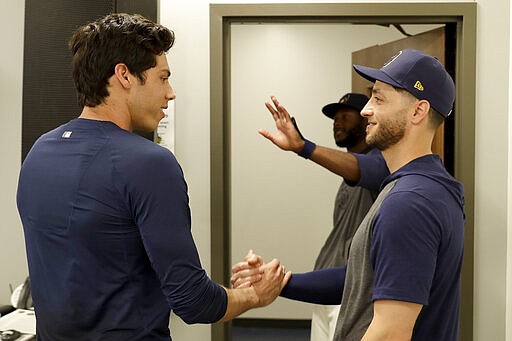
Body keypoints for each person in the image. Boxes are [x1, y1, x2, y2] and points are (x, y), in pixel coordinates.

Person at [16, 13, 289, 341]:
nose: (170, 93)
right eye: (163, 78)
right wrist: (255, 295)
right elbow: (193, 301)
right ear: (125, 76)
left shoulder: (39, 153)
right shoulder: (150, 163)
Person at [233, 49, 465, 340]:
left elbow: (390, 332)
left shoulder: (409, 202)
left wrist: (304, 147)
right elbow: (363, 277)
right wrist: (281, 283)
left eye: (378, 99)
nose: (366, 110)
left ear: (418, 111)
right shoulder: (429, 187)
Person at [260, 92, 382, 341]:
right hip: (327, 286)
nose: (337, 123)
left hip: (351, 293)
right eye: (334, 118)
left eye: (345, 116)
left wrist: (303, 147)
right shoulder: (347, 173)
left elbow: (359, 167)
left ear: (365, 120)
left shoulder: (379, 163)